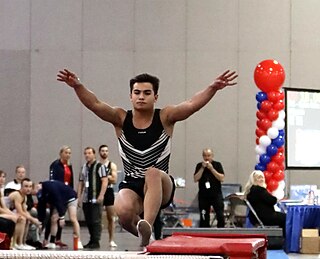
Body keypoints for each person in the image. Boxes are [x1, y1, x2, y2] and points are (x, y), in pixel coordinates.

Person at [57, 68, 237, 247]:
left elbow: (191, 105)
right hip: (133, 183)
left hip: (160, 183)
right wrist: (77, 86)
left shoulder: (165, 117)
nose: (141, 97)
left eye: (146, 93)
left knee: (152, 172)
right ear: (130, 96)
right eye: (137, 93)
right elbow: (95, 104)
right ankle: (145, 236)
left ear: (155, 96)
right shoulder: (121, 118)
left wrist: (212, 88)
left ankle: (148, 225)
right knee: (123, 211)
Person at [35, 180, 83, 249]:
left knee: (73, 218)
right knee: (53, 218)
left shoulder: (50, 187)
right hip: (59, 201)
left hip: (70, 197)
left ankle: (78, 241)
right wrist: (40, 222)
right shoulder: (41, 195)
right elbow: (42, 209)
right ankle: (52, 241)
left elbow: (58, 201)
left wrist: (62, 217)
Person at [78, 147, 108, 249]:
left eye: (89, 153)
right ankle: (91, 240)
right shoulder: (84, 167)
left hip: (96, 198)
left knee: (96, 220)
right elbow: (81, 182)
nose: (87, 155)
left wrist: (101, 195)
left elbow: (105, 181)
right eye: (85, 153)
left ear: (94, 154)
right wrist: (79, 197)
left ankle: (96, 241)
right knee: (89, 220)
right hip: (87, 198)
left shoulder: (100, 166)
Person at [47, 145, 74, 247]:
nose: (68, 155)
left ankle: (58, 238)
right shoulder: (55, 165)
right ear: (61, 153)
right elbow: (53, 180)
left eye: (69, 153)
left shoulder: (69, 165)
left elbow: (71, 180)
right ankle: (49, 239)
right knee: (54, 216)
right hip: (57, 194)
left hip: (65, 194)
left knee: (61, 216)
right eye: (66, 153)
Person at [243, 170, 286, 234]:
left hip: (256, 218)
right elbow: (272, 200)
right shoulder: (259, 190)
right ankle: (286, 239)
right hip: (266, 217)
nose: (261, 179)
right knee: (287, 218)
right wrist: (276, 198)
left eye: (262, 177)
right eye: (259, 177)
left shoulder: (250, 190)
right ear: (253, 180)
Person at [194, 148, 225, 228]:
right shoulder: (199, 165)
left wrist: (212, 169)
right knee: (204, 216)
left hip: (216, 195)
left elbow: (221, 178)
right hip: (203, 196)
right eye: (205, 156)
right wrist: (202, 168)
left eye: (208, 156)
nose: (207, 158)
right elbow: (195, 179)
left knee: (220, 215)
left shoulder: (217, 165)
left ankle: (221, 232)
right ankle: (204, 232)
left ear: (212, 156)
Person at [8, 178, 42, 250]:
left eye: (30, 186)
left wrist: (33, 220)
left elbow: (25, 211)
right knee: (22, 218)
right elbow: (20, 212)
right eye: (26, 186)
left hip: (10, 212)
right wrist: (33, 219)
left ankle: (23, 243)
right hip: (4, 212)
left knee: (27, 219)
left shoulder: (24, 196)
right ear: (21, 186)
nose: (28, 189)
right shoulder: (17, 195)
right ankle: (15, 243)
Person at [98, 144, 118, 248]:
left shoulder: (112, 165)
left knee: (111, 217)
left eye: (106, 151)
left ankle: (111, 240)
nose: (104, 152)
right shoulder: (97, 165)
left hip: (109, 191)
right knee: (97, 217)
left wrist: (104, 177)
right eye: (102, 151)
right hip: (99, 190)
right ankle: (96, 238)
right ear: (99, 152)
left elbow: (114, 180)